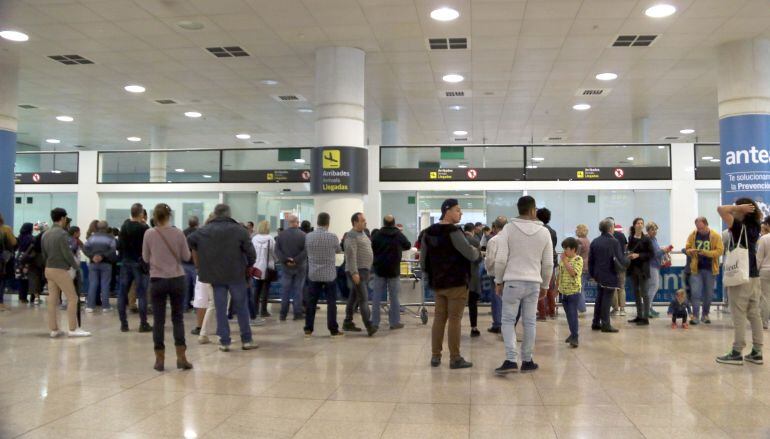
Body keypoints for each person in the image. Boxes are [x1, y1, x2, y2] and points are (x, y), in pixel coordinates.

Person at [493, 196, 553, 375]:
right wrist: (546, 285)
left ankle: (511, 359)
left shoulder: (508, 230)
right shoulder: (544, 232)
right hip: (534, 283)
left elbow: (501, 259)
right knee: (530, 322)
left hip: (512, 282)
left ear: (518, 209)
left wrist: (498, 281)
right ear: (533, 210)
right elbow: (548, 263)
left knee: (508, 320)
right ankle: (527, 360)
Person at [188, 204, 258, 352]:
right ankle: (246, 340)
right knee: (241, 307)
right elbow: (251, 253)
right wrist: (248, 265)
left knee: (220, 308)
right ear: (229, 213)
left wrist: (203, 258)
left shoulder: (204, 230)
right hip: (236, 274)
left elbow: (191, 240)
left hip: (215, 275)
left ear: (215, 213)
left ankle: (224, 341)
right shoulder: (239, 230)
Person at [421, 199, 479, 369]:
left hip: (438, 283)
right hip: (456, 282)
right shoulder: (454, 232)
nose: (460, 213)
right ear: (447, 211)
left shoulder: (428, 232)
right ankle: (455, 358)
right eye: (457, 210)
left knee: (439, 318)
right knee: (455, 319)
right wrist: (476, 250)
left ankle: (435, 356)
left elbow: (423, 261)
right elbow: (470, 254)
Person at [142, 203, 193, 371]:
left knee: (158, 320)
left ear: (155, 216)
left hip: (157, 280)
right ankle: (181, 357)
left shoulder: (149, 233)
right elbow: (186, 256)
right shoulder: (178, 233)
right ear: (169, 215)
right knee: (177, 318)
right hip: (177, 278)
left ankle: (160, 359)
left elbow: (145, 257)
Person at [717, 198, 763, 365]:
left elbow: (721, 209)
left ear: (743, 210)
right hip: (754, 275)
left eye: (737, 207)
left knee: (738, 314)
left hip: (740, 276)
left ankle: (737, 351)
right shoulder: (756, 226)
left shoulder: (737, 227)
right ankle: (757, 351)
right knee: (754, 312)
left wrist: (739, 208)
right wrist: (741, 208)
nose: (734, 210)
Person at [42, 208, 90, 338]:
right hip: (60, 269)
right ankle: (73, 329)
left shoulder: (45, 234)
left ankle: (54, 329)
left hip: (48, 268)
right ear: (63, 218)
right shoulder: (62, 234)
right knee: (72, 298)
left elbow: (44, 253)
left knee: (52, 299)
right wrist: (76, 267)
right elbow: (67, 254)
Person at [304, 212, 344, 337]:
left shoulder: (309, 236)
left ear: (317, 221)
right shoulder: (332, 237)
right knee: (331, 303)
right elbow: (338, 250)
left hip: (314, 274)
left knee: (312, 302)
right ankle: (333, 329)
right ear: (328, 222)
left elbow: (306, 250)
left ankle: (308, 329)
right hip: (329, 275)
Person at [370, 214, 411, 330]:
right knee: (394, 297)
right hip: (394, 270)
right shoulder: (398, 235)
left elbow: (371, 247)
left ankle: (374, 322)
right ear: (393, 223)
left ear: (383, 223)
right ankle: (394, 322)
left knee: (376, 297)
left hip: (379, 270)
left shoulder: (377, 235)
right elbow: (407, 245)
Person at [118, 203, 152, 333]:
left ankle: (124, 324)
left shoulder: (124, 227)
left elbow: (119, 245)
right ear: (141, 214)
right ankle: (143, 323)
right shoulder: (144, 228)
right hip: (140, 263)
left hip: (126, 262)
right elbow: (149, 246)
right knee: (142, 294)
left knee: (122, 293)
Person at [589, 219, 628, 333]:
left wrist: (593, 274)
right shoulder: (614, 242)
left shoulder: (595, 241)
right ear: (611, 228)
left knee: (600, 298)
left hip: (598, 274)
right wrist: (628, 259)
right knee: (607, 299)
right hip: (610, 274)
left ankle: (596, 322)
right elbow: (620, 259)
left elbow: (591, 261)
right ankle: (606, 324)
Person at [343, 212, 377, 336]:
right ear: (355, 222)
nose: (365, 222)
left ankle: (347, 322)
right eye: (362, 220)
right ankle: (369, 325)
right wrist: (354, 272)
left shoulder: (362, 233)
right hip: (357, 271)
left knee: (353, 297)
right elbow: (351, 256)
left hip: (363, 270)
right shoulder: (351, 236)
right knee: (363, 298)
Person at [685, 217, 723, 325]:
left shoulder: (715, 236)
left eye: (701, 228)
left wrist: (707, 253)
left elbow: (720, 251)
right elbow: (687, 248)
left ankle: (705, 314)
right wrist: (690, 251)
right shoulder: (693, 235)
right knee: (695, 293)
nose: (700, 230)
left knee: (709, 294)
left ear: (707, 225)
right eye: (698, 228)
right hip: (696, 269)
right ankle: (695, 316)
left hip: (710, 269)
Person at [274, 214, 307, 321]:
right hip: (300, 267)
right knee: (298, 290)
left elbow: (277, 250)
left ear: (289, 223)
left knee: (285, 290)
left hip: (286, 267)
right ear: (297, 222)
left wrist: (286, 260)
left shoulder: (281, 235)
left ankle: (283, 314)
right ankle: (297, 313)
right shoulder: (303, 235)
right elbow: (306, 251)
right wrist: (296, 260)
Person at [84, 220, 117, 312]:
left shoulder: (91, 238)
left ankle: (90, 306)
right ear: (107, 228)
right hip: (106, 263)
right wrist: (102, 256)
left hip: (93, 263)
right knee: (105, 284)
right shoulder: (110, 238)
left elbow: (85, 248)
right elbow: (112, 249)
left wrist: (92, 256)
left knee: (93, 284)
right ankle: (105, 306)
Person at [626, 218, 653, 326]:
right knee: (636, 293)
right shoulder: (631, 238)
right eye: (638, 223)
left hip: (643, 270)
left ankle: (645, 317)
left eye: (642, 223)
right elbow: (629, 250)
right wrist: (628, 254)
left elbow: (651, 254)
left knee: (644, 293)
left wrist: (638, 255)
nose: (640, 225)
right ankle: (639, 315)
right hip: (633, 269)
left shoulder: (646, 239)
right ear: (634, 225)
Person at [484, 216, 508, 334]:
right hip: (510, 274)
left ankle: (497, 324)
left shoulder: (493, 240)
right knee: (508, 300)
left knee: (497, 298)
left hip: (496, 274)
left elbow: (490, 259)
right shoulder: (511, 239)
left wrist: (487, 269)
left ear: (494, 227)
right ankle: (507, 324)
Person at [558, 237, 583, 348]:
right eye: (563, 249)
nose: (564, 251)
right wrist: (556, 288)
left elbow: (573, 273)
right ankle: (572, 333)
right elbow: (560, 273)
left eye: (566, 249)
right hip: (563, 292)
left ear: (573, 249)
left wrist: (565, 261)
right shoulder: (564, 260)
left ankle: (575, 336)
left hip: (573, 292)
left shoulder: (578, 259)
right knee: (568, 315)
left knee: (573, 314)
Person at [645, 221, 672, 319]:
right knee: (654, 286)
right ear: (648, 230)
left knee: (650, 287)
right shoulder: (647, 239)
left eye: (656, 229)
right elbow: (653, 254)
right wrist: (663, 251)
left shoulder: (654, 239)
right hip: (650, 265)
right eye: (652, 229)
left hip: (655, 265)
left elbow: (656, 251)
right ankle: (647, 309)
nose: (655, 231)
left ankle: (649, 308)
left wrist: (663, 250)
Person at [536, 208, 558, 320]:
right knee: (549, 287)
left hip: (540, 262)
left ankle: (542, 313)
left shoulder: (538, 230)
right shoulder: (552, 231)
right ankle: (552, 311)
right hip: (552, 262)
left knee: (540, 287)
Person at [251, 220, 276, 320]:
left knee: (256, 289)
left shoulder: (254, 238)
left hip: (256, 266)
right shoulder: (271, 239)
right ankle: (263, 310)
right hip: (267, 267)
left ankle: (254, 310)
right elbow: (275, 253)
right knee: (265, 290)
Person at [609, 219, 628, 316]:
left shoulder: (607, 236)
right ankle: (623, 309)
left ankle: (615, 309)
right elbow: (625, 248)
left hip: (611, 265)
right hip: (621, 264)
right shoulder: (621, 235)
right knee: (622, 287)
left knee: (613, 287)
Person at [181, 216, 199, 312]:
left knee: (186, 286)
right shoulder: (199, 233)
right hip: (195, 264)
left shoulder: (183, 232)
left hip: (184, 262)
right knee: (197, 286)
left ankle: (184, 306)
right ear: (197, 223)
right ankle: (197, 308)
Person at [0, 213, 17, 311]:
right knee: (1, 281)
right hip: (2, 260)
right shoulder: (5, 229)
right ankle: (0, 303)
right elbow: (14, 242)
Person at [14, 223, 34, 304]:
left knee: (21, 279)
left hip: (19, 257)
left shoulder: (19, 237)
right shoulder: (31, 238)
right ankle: (24, 298)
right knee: (26, 279)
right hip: (26, 258)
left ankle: (21, 296)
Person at [575, 224, 590, 316]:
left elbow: (576, 254)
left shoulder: (578, 241)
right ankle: (581, 308)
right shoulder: (588, 240)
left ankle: (581, 308)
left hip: (580, 266)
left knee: (579, 289)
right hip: (587, 266)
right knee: (582, 288)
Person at [758, 217, 770, 329]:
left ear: (767, 224)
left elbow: (759, 257)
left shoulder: (764, 238)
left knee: (765, 298)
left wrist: (755, 270)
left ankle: (764, 323)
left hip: (765, 270)